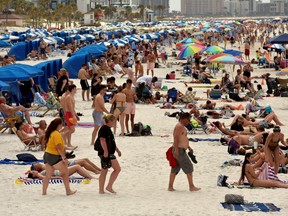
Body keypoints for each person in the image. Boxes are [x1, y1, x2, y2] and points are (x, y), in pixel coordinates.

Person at [42, 118, 76, 196]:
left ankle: (44, 192)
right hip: (53, 156)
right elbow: (59, 147)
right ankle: (68, 191)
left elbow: (57, 146)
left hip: (47, 155)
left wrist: (68, 148)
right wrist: (64, 158)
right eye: (62, 124)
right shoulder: (57, 134)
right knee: (65, 172)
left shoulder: (51, 133)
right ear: (59, 125)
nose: (62, 126)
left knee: (48, 175)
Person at [168, 112, 200, 192]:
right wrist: (176, 150)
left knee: (175, 168)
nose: (189, 121)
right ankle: (191, 186)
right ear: (184, 118)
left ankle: (170, 187)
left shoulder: (181, 126)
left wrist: (189, 147)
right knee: (189, 167)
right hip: (179, 150)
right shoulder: (179, 126)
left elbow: (183, 138)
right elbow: (176, 138)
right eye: (188, 119)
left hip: (180, 149)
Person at [96, 114, 121, 194]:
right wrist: (106, 152)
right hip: (106, 153)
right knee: (116, 169)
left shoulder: (107, 128)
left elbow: (111, 141)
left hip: (108, 152)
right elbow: (102, 140)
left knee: (105, 170)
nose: (114, 123)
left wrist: (117, 150)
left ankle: (102, 189)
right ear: (110, 121)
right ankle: (108, 187)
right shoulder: (104, 128)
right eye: (114, 122)